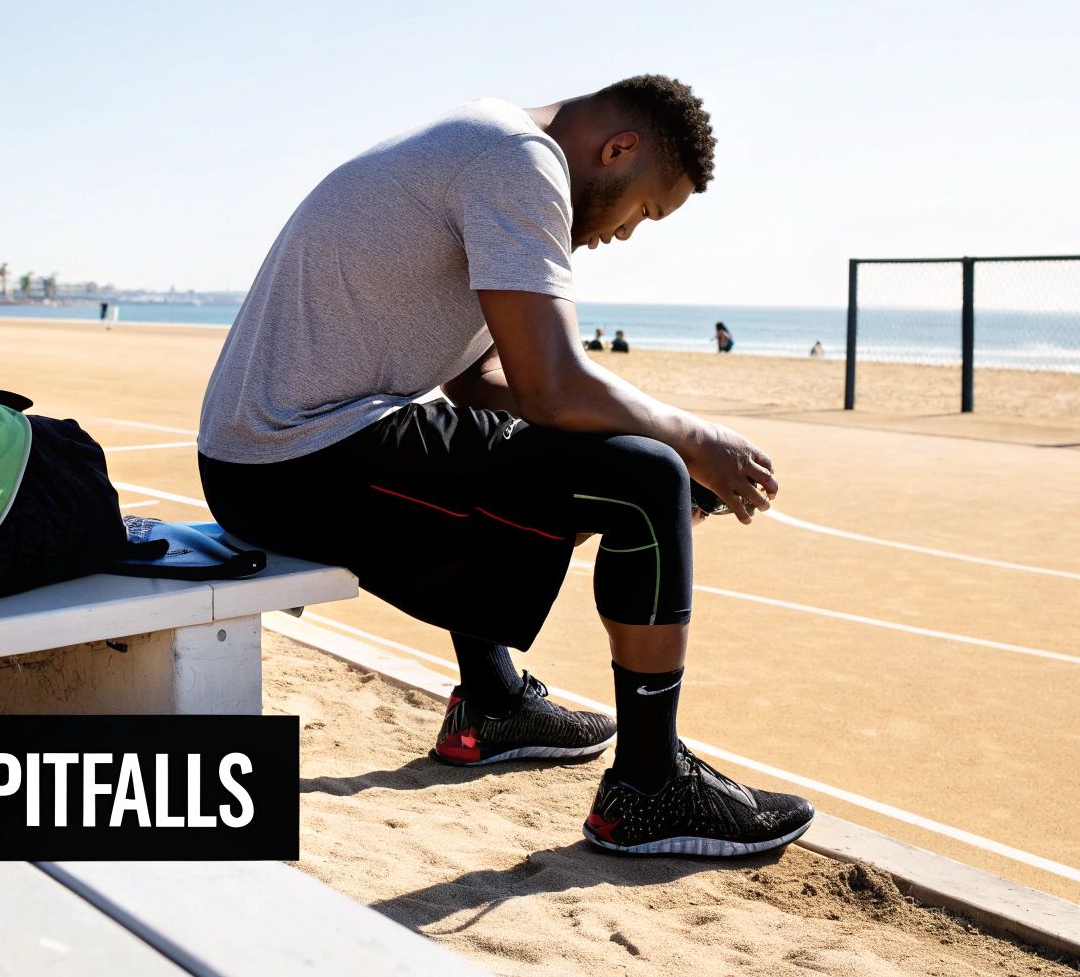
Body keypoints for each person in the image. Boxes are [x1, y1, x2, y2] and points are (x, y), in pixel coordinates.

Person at [197, 74, 811, 858]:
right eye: (644, 211)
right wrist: (691, 443)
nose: (626, 235)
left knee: (609, 466)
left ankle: (495, 705)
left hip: (279, 454)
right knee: (646, 479)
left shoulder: (485, 141)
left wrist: (619, 461)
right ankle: (651, 790)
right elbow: (553, 386)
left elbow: (488, 385)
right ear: (617, 149)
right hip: (294, 459)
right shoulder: (519, 161)